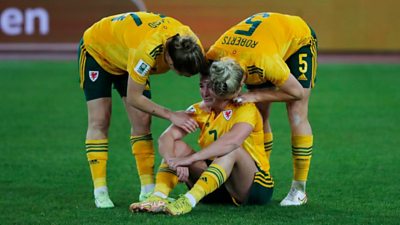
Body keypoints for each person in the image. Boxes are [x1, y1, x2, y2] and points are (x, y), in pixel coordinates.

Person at [78, 12, 207, 208]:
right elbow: (134, 97)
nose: (182, 77)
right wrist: (172, 114)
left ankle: (147, 190)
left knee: (142, 121)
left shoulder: (190, 42)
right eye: (180, 73)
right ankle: (100, 190)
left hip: (126, 53)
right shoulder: (146, 51)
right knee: (100, 119)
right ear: (169, 61)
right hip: (98, 51)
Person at [129, 58, 274, 215]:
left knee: (232, 150)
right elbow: (166, 138)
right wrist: (174, 162)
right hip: (214, 185)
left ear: (221, 86)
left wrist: (190, 159)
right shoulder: (199, 109)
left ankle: (188, 200)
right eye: (201, 85)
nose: (204, 93)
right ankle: (157, 196)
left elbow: (232, 142)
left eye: (210, 86)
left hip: (251, 186)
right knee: (176, 146)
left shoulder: (245, 108)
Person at [206, 12, 318, 206]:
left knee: (296, 112)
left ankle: (299, 189)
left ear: (243, 80)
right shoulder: (215, 53)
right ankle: (260, 173)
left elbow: (297, 92)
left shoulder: (266, 62)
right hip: (258, 45)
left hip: (298, 40)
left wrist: (256, 95)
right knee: (259, 113)